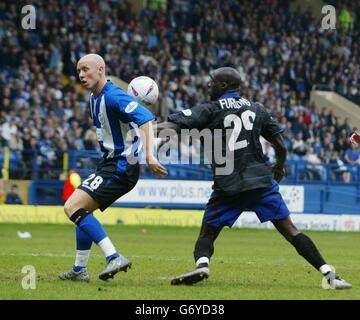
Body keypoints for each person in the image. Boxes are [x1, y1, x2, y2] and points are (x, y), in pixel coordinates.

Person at [156, 67, 351, 289]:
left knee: (208, 232)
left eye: (211, 82)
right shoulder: (257, 108)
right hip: (260, 181)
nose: (207, 85)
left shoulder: (210, 109)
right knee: (290, 230)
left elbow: (172, 126)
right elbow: (280, 144)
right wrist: (279, 166)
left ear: (223, 86)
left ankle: (202, 264)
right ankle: (329, 275)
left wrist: (144, 128)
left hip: (228, 185)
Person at [59, 54, 167, 283]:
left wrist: (149, 155)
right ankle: (79, 270)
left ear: (101, 69)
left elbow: (146, 119)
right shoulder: (93, 97)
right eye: (78, 70)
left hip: (120, 166)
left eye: (86, 69)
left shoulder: (114, 95)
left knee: (72, 205)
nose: (81, 75)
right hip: (109, 163)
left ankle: (114, 256)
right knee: (82, 211)